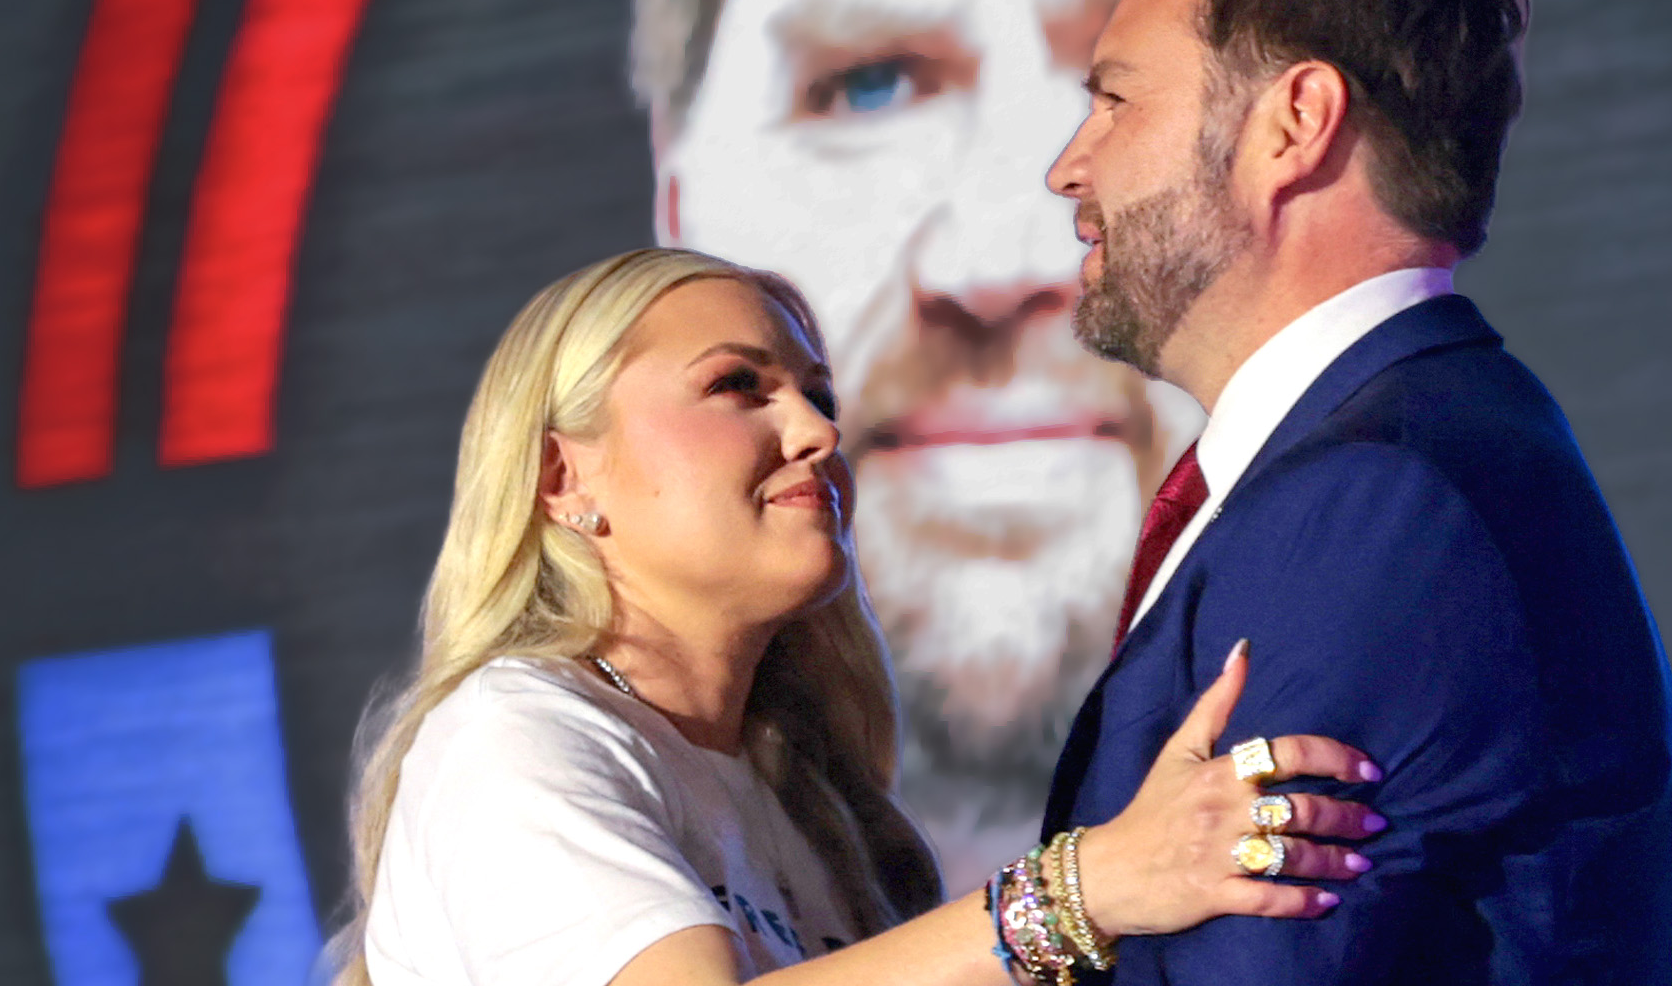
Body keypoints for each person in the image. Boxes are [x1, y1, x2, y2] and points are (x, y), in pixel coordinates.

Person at [629, 0, 1457, 882]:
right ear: (679, 194)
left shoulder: (1445, 558)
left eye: (1131, 95)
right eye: (870, 85)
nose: (994, 260)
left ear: (1327, 131)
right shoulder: (543, 777)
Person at [328, 248, 1388, 986]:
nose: (817, 433)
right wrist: (1092, 884)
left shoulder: (810, 799)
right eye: (739, 387)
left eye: (817, 395)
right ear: (563, 476)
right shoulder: (512, 735)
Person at [1041, 0, 1672, 981]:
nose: (1071, 164)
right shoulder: (1409, 449)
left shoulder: (1371, 504)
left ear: (1293, 124)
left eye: (1115, 99)